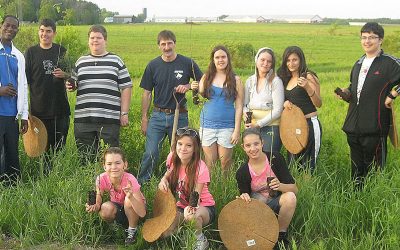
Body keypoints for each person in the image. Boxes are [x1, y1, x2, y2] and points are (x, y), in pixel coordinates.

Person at [338, 22, 400, 188]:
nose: (367, 41)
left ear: (381, 40)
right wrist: (347, 93)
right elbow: (354, 87)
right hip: (353, 127)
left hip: (375, 126)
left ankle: (374, 199)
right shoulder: (358, 63)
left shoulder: (390, 63)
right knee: (357, 170)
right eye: (364, 37)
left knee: (375, 171)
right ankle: (356, 197)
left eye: (372, 37)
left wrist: (393, 94)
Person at [138, 30, 202, 184]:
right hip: (158, 116)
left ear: (175, 43)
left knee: (180, 153)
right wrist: (144, 119)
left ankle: (179, 182)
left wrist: (188, 86)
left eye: (169, 43)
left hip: (179, 115)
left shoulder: (187, 63)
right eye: (163, 44)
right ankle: (142, 183)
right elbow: (147, 93)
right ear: (159, 46)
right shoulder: (153, 65)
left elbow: (202, 82)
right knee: (151, 152)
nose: (167, 47)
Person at [66, 25, 132, 161]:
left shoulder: (116, 61)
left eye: (99, 38)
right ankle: (89, 182)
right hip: (84, 120)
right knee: (85, 159)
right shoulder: (80, 62)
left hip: (109, 120)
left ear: (105, 40)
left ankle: (109, 182)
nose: (95, 41)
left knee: (111, 159)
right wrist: (70, 85)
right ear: (88, 40)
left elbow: (126, 87)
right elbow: (74, 83)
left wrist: (124, 113)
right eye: (92, 38)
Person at [236, 128, 297, 250]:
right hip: (258, 209)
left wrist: (280, 186)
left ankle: (280, 236)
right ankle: (261, 235)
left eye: (256, 144)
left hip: (276, 204)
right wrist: (243, 197)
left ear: (262, 143)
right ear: (243, 147)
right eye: (248, 145)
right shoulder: (242, 172)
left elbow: (294, 189)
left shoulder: (275, 158)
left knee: (290, 197)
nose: (253, 149)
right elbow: (245, 197)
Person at [158, 127, 215, 250]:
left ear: (195, 149)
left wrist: (190, 207)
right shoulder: (172, 157)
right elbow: (169, 172)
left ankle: (200, 238)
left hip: (201, 205)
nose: (183, 149)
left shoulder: (201, 167)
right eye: (180, 144)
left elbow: (196, 195)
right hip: (180, 205)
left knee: (190, 216)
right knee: (165, 234)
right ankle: (185, 231)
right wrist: (163, 180)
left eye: (188, 145)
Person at [191, 45, 244, 171]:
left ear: (228, 59)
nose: (220, 60)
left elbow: (239, 106)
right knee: (210, 163)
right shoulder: (206, 77)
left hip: (227, 126)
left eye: (223, 57)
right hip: (207, 126)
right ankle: (209, 189)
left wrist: (237, 130)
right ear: (213, 60)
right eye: (217, 57)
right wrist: (194, 89)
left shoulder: (236, 80)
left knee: (225, 162)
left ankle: (225, 188)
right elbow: (199, 99)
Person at [25, 19, 70, 156]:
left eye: (48, 31)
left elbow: (72, 75)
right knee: (41, 150)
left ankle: (57, 175)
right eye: (42, 30)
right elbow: (24, 80)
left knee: (58, 150)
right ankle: (42, 176)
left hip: (59, 109)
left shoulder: (61, 50)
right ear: (38, 32)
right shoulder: (31, 52)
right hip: (38, 112)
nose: (45, 34)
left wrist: (65, 74)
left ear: (54, 33)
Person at [85, 147, 146, 245]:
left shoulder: (130, 180)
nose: (113, 167)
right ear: (104, 166)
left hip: (136, 210)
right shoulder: (101, 178)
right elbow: (99, 197)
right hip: (118, 208)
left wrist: (130, 196)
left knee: (128, 200)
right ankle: (119, 228)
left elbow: (142, 213)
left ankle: (132, 231)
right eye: (109, 164)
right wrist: (95, 205)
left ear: (124, 165)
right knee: (105, 208)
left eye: (118, 163)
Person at [277, 46, 322, 173]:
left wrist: (308, 87)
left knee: (309, 165)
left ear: (301, 60)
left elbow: (318, 103)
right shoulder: (285, 79)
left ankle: (309, 190)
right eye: (288, 60)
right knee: (292, 165)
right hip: (291, 126)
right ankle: (294, 192)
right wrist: (284, 103)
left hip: (310, 124)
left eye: (294, 60)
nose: (291, 63)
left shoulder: (309, 76)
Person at [0, 15, 29, 185]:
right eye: (7, 25)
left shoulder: (18, 55)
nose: (10, 29)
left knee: (12, 152)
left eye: (14, 27)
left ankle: (12, 186)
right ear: (1, 25)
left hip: (12, 114)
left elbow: (23, 85)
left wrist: (24, 115)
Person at [243, 47, 284, 152]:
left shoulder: (276, 81)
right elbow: (245, 104)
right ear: (256, 60)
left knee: (268, 157)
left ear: (272, 64)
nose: (265, 63)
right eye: (262, 60)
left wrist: (258, 124)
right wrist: (246, 116)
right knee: (254, 157)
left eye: (269, 61)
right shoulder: (250, 81)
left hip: (270, 126)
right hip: (252, 127)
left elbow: (278, 110)